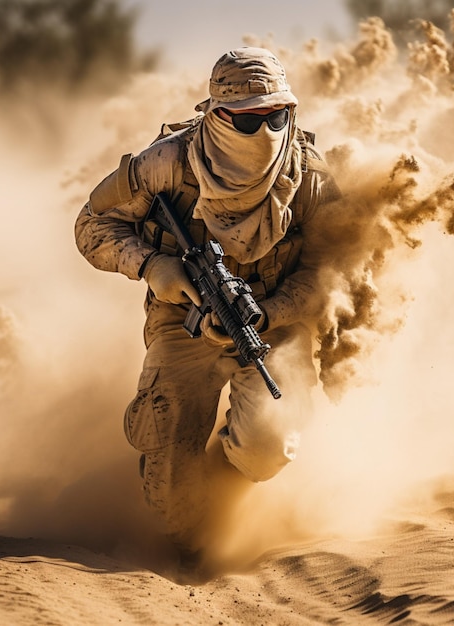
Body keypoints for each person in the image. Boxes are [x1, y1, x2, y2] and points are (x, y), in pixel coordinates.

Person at [75, 47, 340, 557]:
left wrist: (272, 312)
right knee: (170, 500)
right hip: (182, 318)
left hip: (272, 322)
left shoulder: (309, 178)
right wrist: (154, 267)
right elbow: (91, 224)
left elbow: (328, 270)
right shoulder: (166, 163)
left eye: (276, 116)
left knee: (267, 449)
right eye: (246, 121)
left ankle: (224, 494)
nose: (264, 132)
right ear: (217, 115)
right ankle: (183, 516)